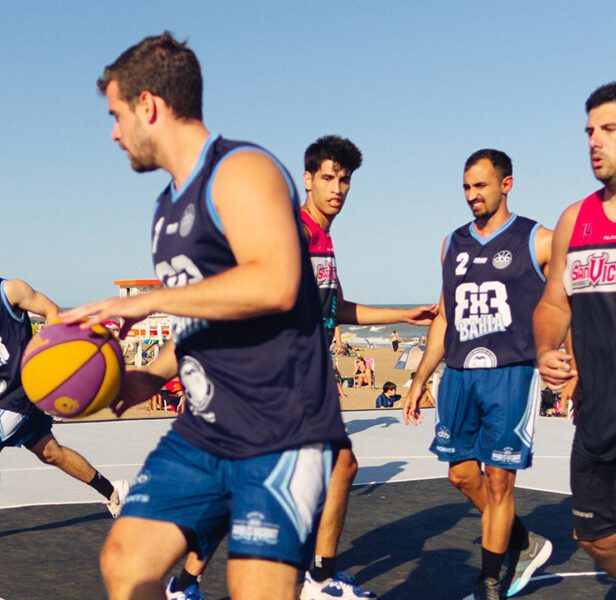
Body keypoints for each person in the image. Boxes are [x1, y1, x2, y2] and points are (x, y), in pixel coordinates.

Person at [63, 33, 347, 600]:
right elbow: (206, 314)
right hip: (203, 430)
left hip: (279, 430)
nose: (114, 132)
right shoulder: (167, 205)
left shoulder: (241, 170)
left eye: (117, 115)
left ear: (149, 105)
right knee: (127, 562)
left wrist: (141, 302)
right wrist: (149, 376)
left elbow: (275, 282)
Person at [163, 135, 437, 599]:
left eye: (345, 180)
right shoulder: (293, 231)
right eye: (328, 177)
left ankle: (200, 582)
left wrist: (402, 314)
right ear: (307, 179)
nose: (338, 188)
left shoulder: (324, 241)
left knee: (328, 470)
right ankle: (304, 579)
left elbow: (337, 308)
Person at [404, 149, 554, 599]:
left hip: (510, 373)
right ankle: (523, 540)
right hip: (459, 374)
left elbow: (567, 299)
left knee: (498, 477)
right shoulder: (452, 243)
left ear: (506, 184)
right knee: (461, 475)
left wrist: (566, 356)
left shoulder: (538, 238)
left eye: (481, 186)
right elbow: (445, 317)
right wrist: (419, 378)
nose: (472, 195)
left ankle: (489, 581)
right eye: (466, 187)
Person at [0, 229, 127, 541]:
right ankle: (113, 491)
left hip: (23, 390)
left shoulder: (10, 290)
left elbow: (54, 313)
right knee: (50, 452)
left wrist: (53, 356)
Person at [534, 81, 616, 580]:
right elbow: (552, 303)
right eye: (590, 131)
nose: (594, 141)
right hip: (597, 417)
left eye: (609, 129)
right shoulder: (575, 220)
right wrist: (546, 347)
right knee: (593, 536)